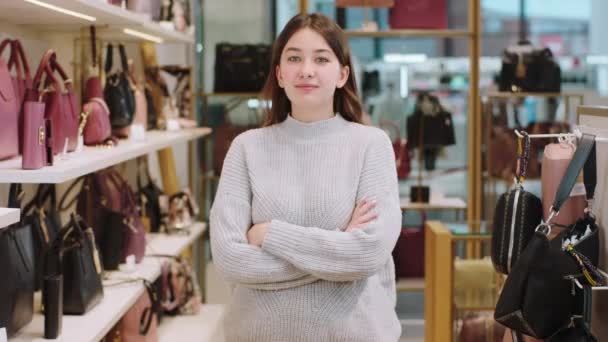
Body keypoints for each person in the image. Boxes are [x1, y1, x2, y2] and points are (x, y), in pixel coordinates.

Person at [210, 12, 402, 341]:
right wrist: (337, 248)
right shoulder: (246, 148)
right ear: (280, 74)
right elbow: (230, 260)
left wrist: (272, 235)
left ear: (343, 74)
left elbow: (368, 253)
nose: (306, 70)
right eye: (294, 58)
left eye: (321, 58)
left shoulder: (371, 145)